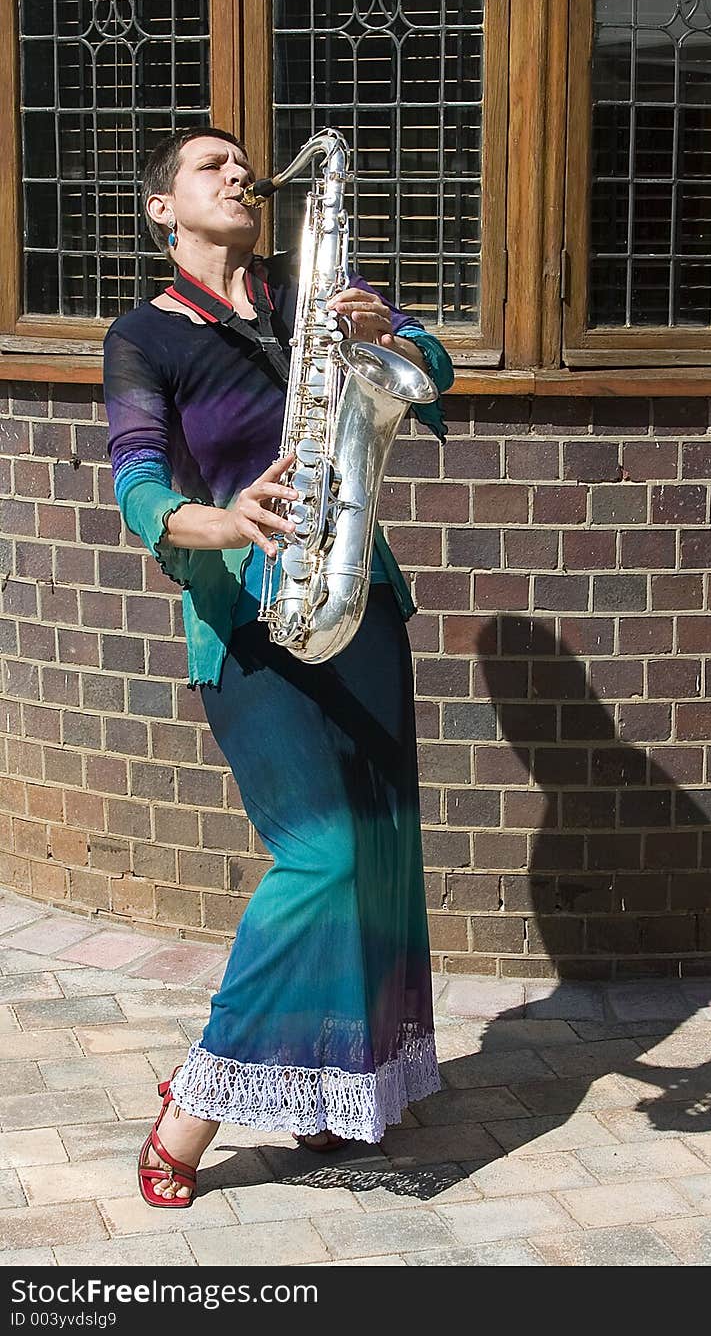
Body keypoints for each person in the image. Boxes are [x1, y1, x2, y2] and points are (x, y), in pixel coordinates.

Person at [102, 126, 453, 1206]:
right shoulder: (144, 336)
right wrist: (225, 518)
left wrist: (388, 326)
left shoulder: (317, 297)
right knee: (323, 859)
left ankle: (327, 1095)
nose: (238, 173)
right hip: (248, 622)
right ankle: (191, 1111)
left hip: (359, 600)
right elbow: (135, 482)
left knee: (382, 854)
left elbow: (429, 380)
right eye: (210, 165)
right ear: (164, 209)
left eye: (241, 162)